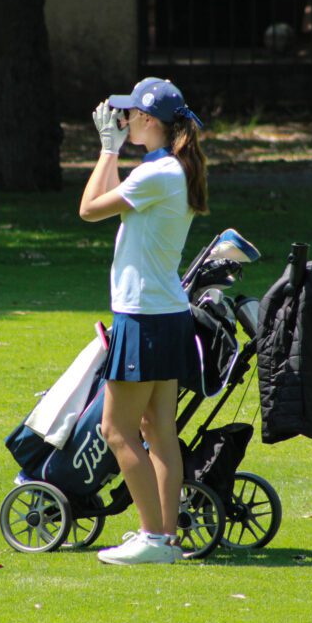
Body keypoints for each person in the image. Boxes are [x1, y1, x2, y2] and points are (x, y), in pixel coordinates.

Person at [79, 77, 209, 565]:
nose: (123, 120)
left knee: (116, 430)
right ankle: (166, 538)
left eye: (130, 114)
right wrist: (115, 154)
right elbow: (113, 205)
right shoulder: (163, 170)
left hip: (144, 317)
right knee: (159, 430)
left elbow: (89, 209)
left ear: (149, 120)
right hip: (166, 315)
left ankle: (153, 538)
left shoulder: (158, 175)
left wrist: (106, 151)